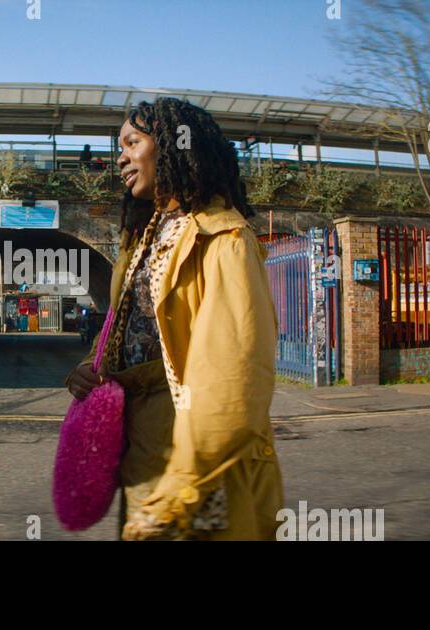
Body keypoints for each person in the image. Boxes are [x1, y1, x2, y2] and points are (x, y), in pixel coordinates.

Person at [64, 97, 283, 540]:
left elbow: (232, 379)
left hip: (195, 467)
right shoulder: (141, 237)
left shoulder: (224, 238)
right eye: (118, 146)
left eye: (132, 142)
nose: (120, 157)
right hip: (142, 453)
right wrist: (92, 366)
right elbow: (125, 326)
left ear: (172, 147)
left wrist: (181, 488)